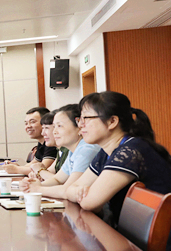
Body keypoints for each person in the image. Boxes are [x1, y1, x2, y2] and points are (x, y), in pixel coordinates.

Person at [66, 91, 171, 228]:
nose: (80, 125)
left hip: (157, 237)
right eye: (79, 119)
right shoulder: (106, 152)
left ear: (112, 121)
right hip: (128, 233)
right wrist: (79, 192)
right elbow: (70, 190)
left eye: (86, 118)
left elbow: (89, 202)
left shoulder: (130, 151)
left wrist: (81, 194)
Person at [21, 104, 100, 200]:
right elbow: (57, 179)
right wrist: (33, 185)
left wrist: (38, 189)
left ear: (79, 127)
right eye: (54, 126)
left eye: (59, 126)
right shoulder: (74, 150)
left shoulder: (87, 149)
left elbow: (67, 189)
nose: (54, 131)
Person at [5, 107, 57, 175]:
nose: (28, 126)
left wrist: (16, 169)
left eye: (32, 122)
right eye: (26, 123)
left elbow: (43, 169)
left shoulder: (52, 144)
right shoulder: (42, 143)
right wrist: (17, 167)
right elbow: (34, 164)